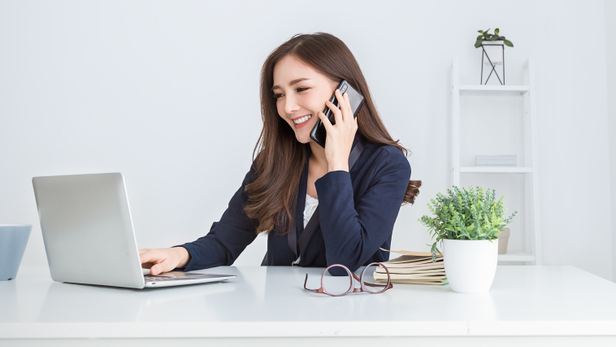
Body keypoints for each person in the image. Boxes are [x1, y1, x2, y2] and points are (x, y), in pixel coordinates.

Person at [138, 33, 420, 274]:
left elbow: (343, 263)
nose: (288, 107)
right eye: (279, 94)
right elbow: (225, 242)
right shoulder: (276, 160)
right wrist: (178, 255)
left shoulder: (387, 165)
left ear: (344, 94)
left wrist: (337, 163)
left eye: (301, 89)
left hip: (349, 314)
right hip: (278, 313)